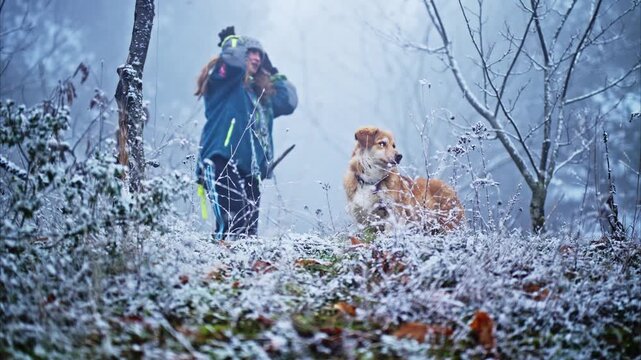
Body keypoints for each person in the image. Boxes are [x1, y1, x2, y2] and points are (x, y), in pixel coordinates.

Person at [195, 26, 298, 240]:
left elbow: (290, 101)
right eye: (251, 52)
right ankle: (219, 270)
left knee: (248, 235)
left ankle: (241, 272)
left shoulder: (260, 96)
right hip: (220, 160)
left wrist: (273, 71)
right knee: (232, 222)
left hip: (251, 173)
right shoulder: (225, 84)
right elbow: (231, 63)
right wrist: (232, 43)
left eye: (260, 54)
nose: (256, 57)